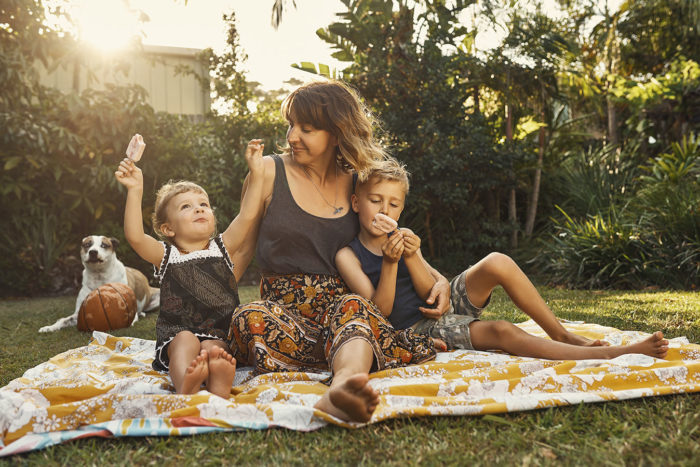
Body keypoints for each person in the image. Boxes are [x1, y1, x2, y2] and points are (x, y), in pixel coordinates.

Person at [226, 81, 448, 423]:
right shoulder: (267, 172)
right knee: (248, 315)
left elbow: (390, 236)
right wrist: (209, 316)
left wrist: (439, 280)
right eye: (291, 125)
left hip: (344, 316)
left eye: (307, 128)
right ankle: (364, 354)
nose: (292, 137)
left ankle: (342, 387)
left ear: (335, 133)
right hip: (284, 321)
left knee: (356, 306)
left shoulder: (360, 180)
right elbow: (240, 251)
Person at [335, 157, 670, 360]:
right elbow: (379, 314)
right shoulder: (348, 255)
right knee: (502, 331)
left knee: (498, 260)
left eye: (393, 204)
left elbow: (432, 287)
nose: (384, 210)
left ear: (402, 208)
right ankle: (608, 355)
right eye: (375, 200)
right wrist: (392, 264)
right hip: (415, 326)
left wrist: (419, 261)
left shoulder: (403, 238)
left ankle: (561, 333)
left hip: (439, 306)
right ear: (355, 202)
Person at [114, 139, 266, 399]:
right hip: (177, 334)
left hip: (220, 332)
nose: (198, 208)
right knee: (185, 340)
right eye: (186, 206)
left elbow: (248, 214)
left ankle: (219, 383)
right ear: (168, 229)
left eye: (203, 204)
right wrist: (135, 190)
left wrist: (256, 172)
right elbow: (135, 237)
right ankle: (186, 382)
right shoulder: (167, 255)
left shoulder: (223, 247)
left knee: (214, 348)